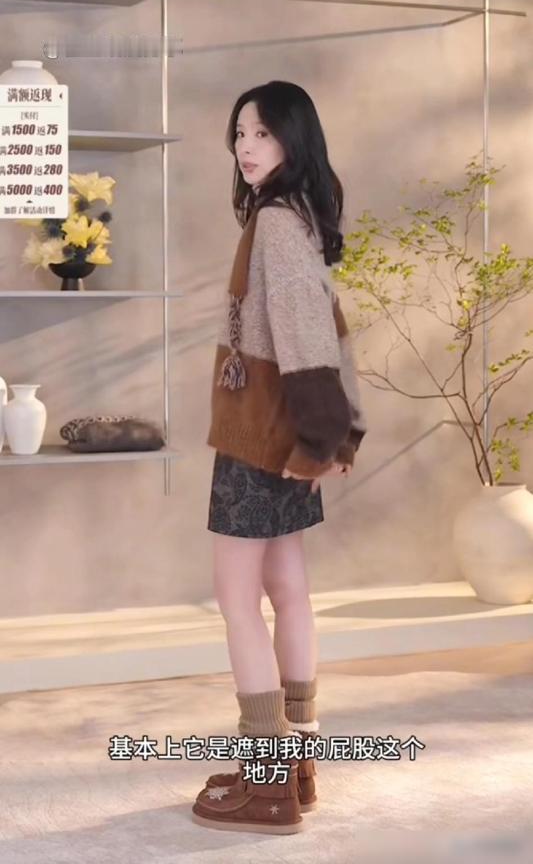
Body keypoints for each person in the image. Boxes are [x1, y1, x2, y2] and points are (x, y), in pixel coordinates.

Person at [191, 80, 367, 834]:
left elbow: (305, 334)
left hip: (263, 436)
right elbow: (330, 326)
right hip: (290, 434)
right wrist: (332, 434)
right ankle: (296, 764)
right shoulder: (299, 215)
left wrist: (323, 437)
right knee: (287, 588)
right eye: (239, 134)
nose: (245, 147)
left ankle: (266, 781)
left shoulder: (275, 223)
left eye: (262, 133)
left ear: (294, 138)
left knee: (238, 600)